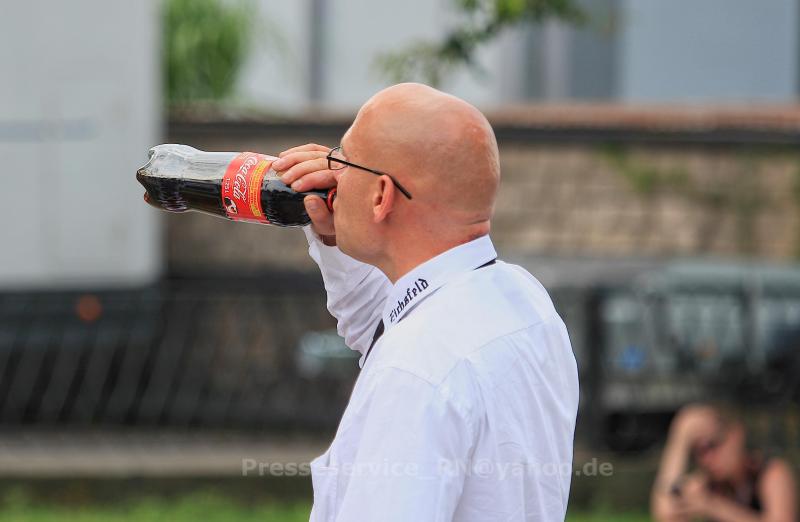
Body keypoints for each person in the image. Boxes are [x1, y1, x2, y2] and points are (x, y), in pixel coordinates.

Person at [270, 83, 579, 521]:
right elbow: (387, 324)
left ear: (381, 195)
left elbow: (410, 351)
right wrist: (332, 240)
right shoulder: (524, 300)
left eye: (342, 160)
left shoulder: (415, 367)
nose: (330, 176)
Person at [651, 403, 797, 522]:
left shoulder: (770, 472)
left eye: (713, 445)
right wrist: (680, 439)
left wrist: (713, 506)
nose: (707, 459)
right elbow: (665, 513)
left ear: (736, 434)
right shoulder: (708, 483)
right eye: (699, 452)